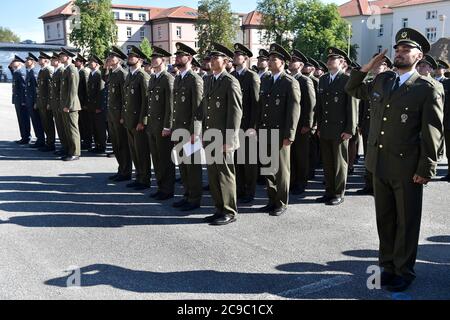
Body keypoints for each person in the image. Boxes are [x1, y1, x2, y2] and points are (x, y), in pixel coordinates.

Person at [345, 28, 444, 292]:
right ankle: (387, 267)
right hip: (379, 164)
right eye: (397, 50)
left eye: (406, 50)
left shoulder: (427, 88)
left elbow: (432, 132)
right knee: (385, 220)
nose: (400, 53)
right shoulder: (383, 81)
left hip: (407, 167)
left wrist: (426, 168)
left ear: (419, 56)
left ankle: (404, 271)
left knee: (406, 222)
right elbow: (352, 88)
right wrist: (369, 66)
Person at [200, 42, 243, 226]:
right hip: (210, 136)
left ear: (226, 61)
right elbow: (206, 111)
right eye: (211, 58)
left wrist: (229, 140)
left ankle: (229, 211)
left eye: (216, 58)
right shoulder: (209, 79)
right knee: (213, 176)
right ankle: (218, 208)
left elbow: (235, 113)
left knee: (225, 175)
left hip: (223, 138)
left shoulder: (230, 81)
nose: (212, 61)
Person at [258, 43, 301, 216]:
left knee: (282, 170)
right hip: (265, 130)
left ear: (282, 62)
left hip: (281, 132)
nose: (269, 61)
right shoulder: (266, 79)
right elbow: (261, 106)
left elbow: (294, 110)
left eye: (273, 59)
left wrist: (290, 134)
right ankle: (271, 199)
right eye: (269, 59)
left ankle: (281, 202)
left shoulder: (290, 82)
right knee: (268, 168)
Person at [315, 47, 358, 206]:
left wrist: (349, 130)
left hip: (340, 130)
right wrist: (318, 126)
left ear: (342, 63)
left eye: (333, 59)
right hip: (325, 128)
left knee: (340, 163)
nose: (329, 61)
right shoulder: (324, 79)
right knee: (327, 162)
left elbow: (352, 107)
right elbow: (319, 106)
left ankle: (339, 193)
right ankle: (329, 191)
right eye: (329, 59)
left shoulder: (347, 80)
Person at [171, 42, 204, 211]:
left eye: (180, 55)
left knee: (192, 167)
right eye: (176, 55)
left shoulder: (195, 80)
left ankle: (194, 198)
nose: (176, 58)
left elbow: (198, 109)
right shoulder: (178, 78)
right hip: (178, 129)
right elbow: (175, 106)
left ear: (189, 58)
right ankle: (186, 195)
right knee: (183, 166)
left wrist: (195, 132)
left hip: (190, 132)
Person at [356, 54, 392, 195]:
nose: (376, 67)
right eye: (375, 64)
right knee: (368, 156)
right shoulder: (370, 84)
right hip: (368, 125)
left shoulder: (389, 84)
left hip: (381, 127)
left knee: (381, 158)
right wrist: (360, 123)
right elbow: (362, 106)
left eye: (380, 64)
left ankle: (379, 186)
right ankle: (369, 184)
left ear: (386, 67)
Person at [144, 46, 176, 200]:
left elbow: (170, 106)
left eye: (155, 57)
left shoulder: (168, 79)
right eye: (152, 57)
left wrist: (167, 126)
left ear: (163, 60)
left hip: (162, 127)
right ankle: (160, 187)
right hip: (152, 126)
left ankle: (168, 189)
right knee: (156, 159)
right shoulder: (153, 78)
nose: (152, 60)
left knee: (165, 159)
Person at [231, 43, 261, 203]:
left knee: (248, 161)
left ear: (246, 58)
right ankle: (240, 189)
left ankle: (250, 191)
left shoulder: (252, 77)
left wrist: (253, 126)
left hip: (248, 125)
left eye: (238, 55)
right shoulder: (233, 76)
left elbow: (256, 104)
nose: (235, 57)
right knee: (237, 160)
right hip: (235, 127)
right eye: (234, 55)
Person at [123, 46, 151, 191]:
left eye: (132, 56)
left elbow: (146, 101)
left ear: (139, 59)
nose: (129, 57)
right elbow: (126, 99)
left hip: (138, 122)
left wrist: (142, 121)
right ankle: (138, 176)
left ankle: (145, 179)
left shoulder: (142, 76)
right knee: (134, 151)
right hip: (129, 120)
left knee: (142, 151)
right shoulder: (130, 75)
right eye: (129, 55)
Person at [288, 49, 316, 196]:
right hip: (290, 125)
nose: (290, 63)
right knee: (291, 156)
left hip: (301, 126)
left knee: (301, 156)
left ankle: (301, 183)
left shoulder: (305, 80)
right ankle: (292, 182)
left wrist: (308, 124)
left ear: (300, 65)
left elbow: (310, 104)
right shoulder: (287, 78)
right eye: (290, 60)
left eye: (294, 61)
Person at [106, 46, 132, 182]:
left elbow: (124, 98)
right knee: (116, 144)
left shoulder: (122, 74)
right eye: (109, 57)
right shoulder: (112, 73)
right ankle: (121, 169)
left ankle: (126, 171)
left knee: (122, 144)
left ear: (120, 60)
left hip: (119, 116)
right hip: (111, 114)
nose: (109, 59)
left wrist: (122, 115)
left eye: (112, 57)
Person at [59, 47, 82, 161]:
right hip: (66, 105)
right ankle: (70, 150)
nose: (60, 57)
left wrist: (68, 105)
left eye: (62, 56)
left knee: (72, 129)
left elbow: (73, 90)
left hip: (71, 106)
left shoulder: (72, 69)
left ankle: (75, 153)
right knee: (68, 129)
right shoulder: (66, 69)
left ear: (67, 57)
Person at [86, 55, 107, 154]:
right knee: (94, 127)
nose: (90, 63)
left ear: (97, 64)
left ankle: (102, 146)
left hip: (98, 107)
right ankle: (97, 145)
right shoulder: (91, 74)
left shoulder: (99, 74)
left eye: (92, 62)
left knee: (100, 128)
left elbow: (101, 92)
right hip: (92, 106)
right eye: (90, 62)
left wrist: (99, 107)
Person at [24, 53, 45, 149]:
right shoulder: (29, 72)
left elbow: (37, 89)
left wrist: (36, 102)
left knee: (37, 121)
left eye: (27, 60)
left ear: (32, 62)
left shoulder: (34, 72)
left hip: (34, 101)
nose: (25, 62)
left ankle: (41, 140)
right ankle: (39, 139)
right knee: (35, 121)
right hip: (30, 101)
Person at [49, 52, 67, 157]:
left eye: (53, 59)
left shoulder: (61, 71)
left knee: (63, 127)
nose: (51, 61)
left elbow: (62, 90)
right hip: (56, 104)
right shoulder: (56, 72)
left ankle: (65, 147)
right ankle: (63, 146)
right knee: (59, 127)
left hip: (60, 104)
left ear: (58, 61)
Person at [11, 55, 31, 144]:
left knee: (24, 119)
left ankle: (26, 137)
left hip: (22, 101)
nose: (12, 63)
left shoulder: (20, 72)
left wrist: (23, 100)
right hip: (17, 100)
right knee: (21, 119)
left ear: (19, 63)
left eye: (15, 61)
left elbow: (24, 88)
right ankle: (24, 136)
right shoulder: (16, 72)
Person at [74, 54, 91, 151]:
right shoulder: (78, 71)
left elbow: (86, 89)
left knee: (85, 123)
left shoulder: (83, 72)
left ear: (82, 62)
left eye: (77, 60)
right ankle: (83, 140)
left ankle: (87, 142)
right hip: (79, 102)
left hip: (83, 102)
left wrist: (85, 103)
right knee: (80, 123)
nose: (75, 62)